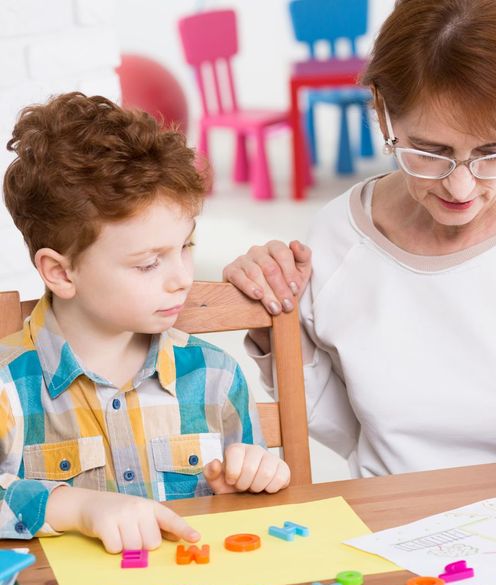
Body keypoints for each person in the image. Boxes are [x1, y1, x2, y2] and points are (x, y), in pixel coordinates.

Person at [224, 0, 496, 495]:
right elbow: (341, 427)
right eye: (430, 152)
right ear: (382, 111)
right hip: (398, 523)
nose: (461, 188)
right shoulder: (337, 237)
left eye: (493, 152)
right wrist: (274, 321)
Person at [0, 92, 290, 553]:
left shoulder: (215, 375)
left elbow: (246, 515)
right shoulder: (8, 389)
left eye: (186, 246)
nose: (182, 279)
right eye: (148, 263)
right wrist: (77, 507)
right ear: (61, 272)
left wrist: (251, 479)